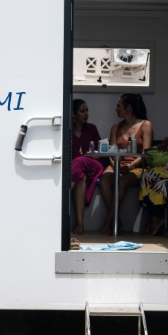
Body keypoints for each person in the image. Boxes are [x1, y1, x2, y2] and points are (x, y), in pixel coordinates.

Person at [99, 93, 153, 235]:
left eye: (119, 106)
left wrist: (129, 167)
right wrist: (116, 165)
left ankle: (108, 223)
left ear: (129, 108)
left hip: (137, 166)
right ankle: (116, 217)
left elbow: (146, 154)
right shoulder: (115, 128)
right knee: (105, 179)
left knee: (121, 181)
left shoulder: (146, 125)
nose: (116, 109)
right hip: (116, 164)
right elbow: (111, 152)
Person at [70, 98, 104, 234]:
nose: (86, 114)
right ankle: (80, 225)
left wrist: (92, 154)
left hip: (92, 164)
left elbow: (101, 151)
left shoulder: (92, 128)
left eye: (87, 111)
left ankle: (65, 192)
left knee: (80, 160)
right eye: (82, 111)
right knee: (81, 179)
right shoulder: (67, 130)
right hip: (75, 170)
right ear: (73, 114)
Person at [139, 136, 168, 236]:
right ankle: (154, 217)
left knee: (151, 175)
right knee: (149, 177)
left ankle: (156, 218)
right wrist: (167, 142)